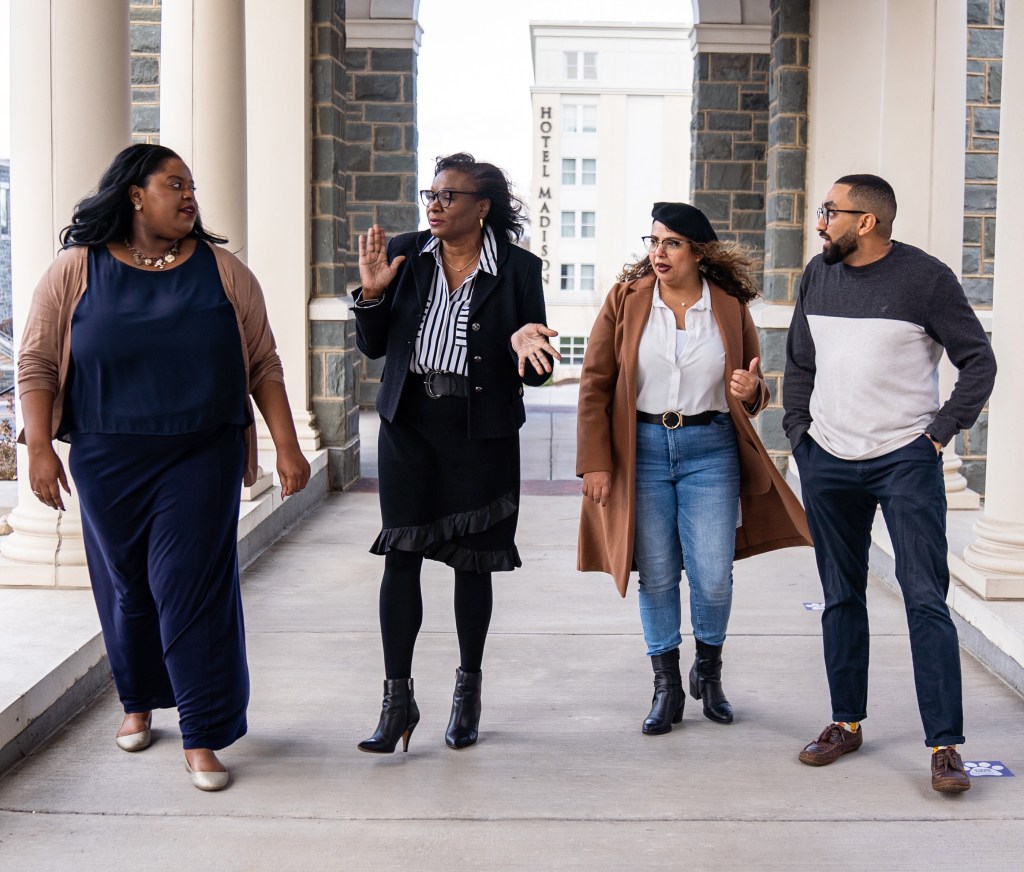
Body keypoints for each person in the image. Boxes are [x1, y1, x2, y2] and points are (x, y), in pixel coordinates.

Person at [18, 143, 310, 791]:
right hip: (106, 456)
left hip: (201, 454)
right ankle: (138, 699)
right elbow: (36, 362)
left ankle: (203, 734)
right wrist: (38, 446)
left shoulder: (225, 272)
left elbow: (263, 362)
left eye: (192, 186)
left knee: (191, 587)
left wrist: (287, 445)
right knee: (127, 587)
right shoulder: (75, 270)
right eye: (174, 184)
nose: (189, 197)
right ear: (134, 194)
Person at [784, 174, 996, 793]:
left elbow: (977, 360)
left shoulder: (925, 279)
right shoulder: (817, 275)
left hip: (904, 459)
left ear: (866, 222)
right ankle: (845, 723)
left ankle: (945, 746)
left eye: (830, 212)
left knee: (925, 599)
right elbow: (801, 361)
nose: (821, 222)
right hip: (827, 457)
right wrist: (800, 434)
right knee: (840, 596)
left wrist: (938, 433)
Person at [577, 202, 811, 735]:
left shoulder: (728, 306)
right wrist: (595, 462)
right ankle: (665, 686)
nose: (657, 253)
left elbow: (751, 386)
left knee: (712, 575)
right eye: (653, 241)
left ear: (698, 252)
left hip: (711, 449)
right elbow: (594, 383)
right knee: (657, 573)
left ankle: (708, 673)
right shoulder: (626, 300)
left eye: (671, 244)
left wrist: (753, 392)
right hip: (642, 449)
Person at [353, 152, 558, 754]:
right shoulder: (406, 253)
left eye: (448, 196)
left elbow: (537, 367)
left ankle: (467, 693)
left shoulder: (518, 270)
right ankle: (397, 701)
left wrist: (524, 342)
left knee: (473, 562)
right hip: (409, 426)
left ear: (482, 206)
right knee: (401, 559)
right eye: (431, 195)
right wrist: (371, 294)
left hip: (479, 431)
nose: (434, 205)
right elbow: (372, 347)